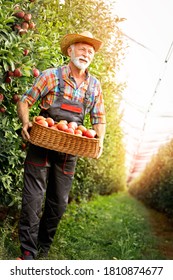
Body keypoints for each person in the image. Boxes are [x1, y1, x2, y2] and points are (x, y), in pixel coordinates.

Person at [17, 31, 106, 260]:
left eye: (90, 51)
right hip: (42, 142)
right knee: (33, 198)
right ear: (70, 51)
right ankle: (28, 252)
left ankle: (43, 247)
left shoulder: (94, 86)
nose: (86, 54)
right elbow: (25, 101)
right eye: (82, 49)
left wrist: (100, 142)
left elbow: (99, 119)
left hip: (70, 148)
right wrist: (27, 122)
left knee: (59, 203)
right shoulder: (50, 76)